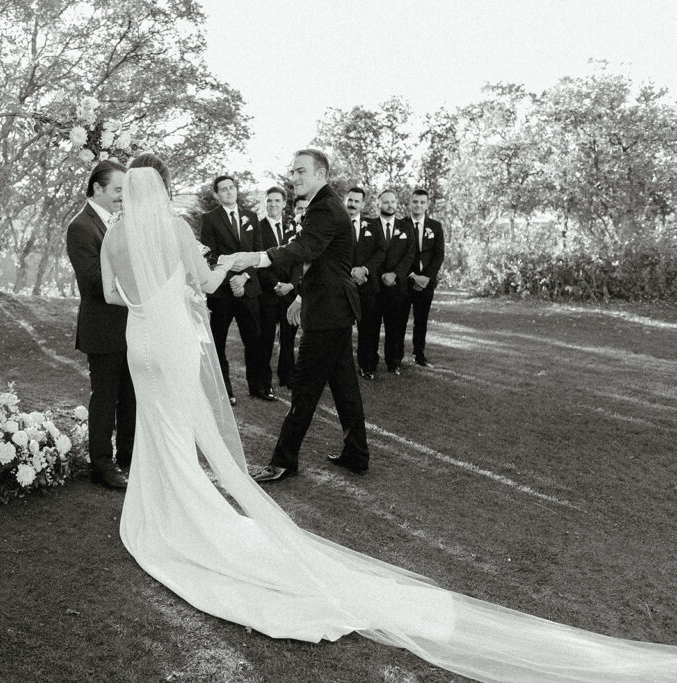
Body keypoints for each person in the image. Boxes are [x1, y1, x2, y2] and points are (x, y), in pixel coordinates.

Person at [99, 154, 677, 682]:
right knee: (180, 424)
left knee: (155, 426)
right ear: (164, 192)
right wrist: (221, 269)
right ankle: (199, 510)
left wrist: (165, 292)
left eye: (299, 172)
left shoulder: (114, 232)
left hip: (139, 338)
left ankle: (162, 511)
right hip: (173, 336)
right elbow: (202, 284)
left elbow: (111, 293)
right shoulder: (175, 230)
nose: (293, 180)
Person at [231, 150, 369, 481]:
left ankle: (283, 461)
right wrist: (302, 297)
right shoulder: (326, 204)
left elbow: (303, 250)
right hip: (332, 308)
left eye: (301, 171)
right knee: (345, 388)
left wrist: (256, 258)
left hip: (328, 314)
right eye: (293, 171)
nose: (294, 177)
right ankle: (357, 454)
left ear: (321, 174)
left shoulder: (324, 208)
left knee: (305, 389)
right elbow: (322, 264)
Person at [65, 159, 134, 490]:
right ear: (98, 188)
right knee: (105, 397)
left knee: (131, 396)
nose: (123, 196)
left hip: (130, 325)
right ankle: (102, 464)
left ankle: (129, 457)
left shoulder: (120, 222)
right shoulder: (81, 226)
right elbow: (92, 281)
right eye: (118, 189)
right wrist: (137, 284)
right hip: (103, 327)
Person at [197, 175, 266, 405]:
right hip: (221, 293)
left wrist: (244, 277)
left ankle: (258, 387)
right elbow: (210, 255)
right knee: (218, 342)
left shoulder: (251, 217)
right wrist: (231, 280)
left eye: (232, 188)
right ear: (217, 194)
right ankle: (225, 391)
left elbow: (258, 252)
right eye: (223, 190)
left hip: (248, 287)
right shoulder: (210, 219)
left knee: (254, 341)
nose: (229, 192)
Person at [253, 187, 292, 400]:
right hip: (267, 293)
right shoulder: (258, 229)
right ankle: (264, 384)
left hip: (288, 293)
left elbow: (296, 259)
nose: (273, 205)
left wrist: (290, 285)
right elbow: (259, 262)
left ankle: (286, 376)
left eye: (277, 201)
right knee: (265, 341)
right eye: (269, 201)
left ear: (284, 203)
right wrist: (276, 284)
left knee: (287, 338)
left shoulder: (292, 229)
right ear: (265, 203)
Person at [344, 186, 386, 380]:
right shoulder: (337, 224)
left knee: (368, 328)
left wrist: (364, 270)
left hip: (367, 285)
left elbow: (381, 251)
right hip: (342, 285)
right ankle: (338, 368)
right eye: (350, 200)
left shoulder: (373, 225)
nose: (352, 204)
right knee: (340, 329)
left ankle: (366, 365)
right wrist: (350, 272)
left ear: (362, 204)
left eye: (356, 201)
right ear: (345, 200)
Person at [374, 189, 415, 376]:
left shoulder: (406, 227)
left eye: (393, 202)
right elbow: (369, 254)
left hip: (398, 286)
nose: (390, 205)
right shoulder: (370, 226)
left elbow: (409, 255)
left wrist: (395, 275)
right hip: (375, 285)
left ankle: (394, 362)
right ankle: (369, 363)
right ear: (378, 204)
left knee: (395, 326)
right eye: (386, 202)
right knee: (371, 327)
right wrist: (382, 274)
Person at [406, 189, 445, 367]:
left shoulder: (435, 226)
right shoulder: (401, 225)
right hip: (405, 281)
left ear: (427, 204)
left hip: (427, 283)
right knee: (399, 320)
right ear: (410, 203)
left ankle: (419, 355)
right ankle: (395, 356)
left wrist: (426, 278)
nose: (418, 205)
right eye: (415, 202)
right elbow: (396, 255)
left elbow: (438, 256)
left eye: (422, 202)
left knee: (421, 321)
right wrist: (413, 277)